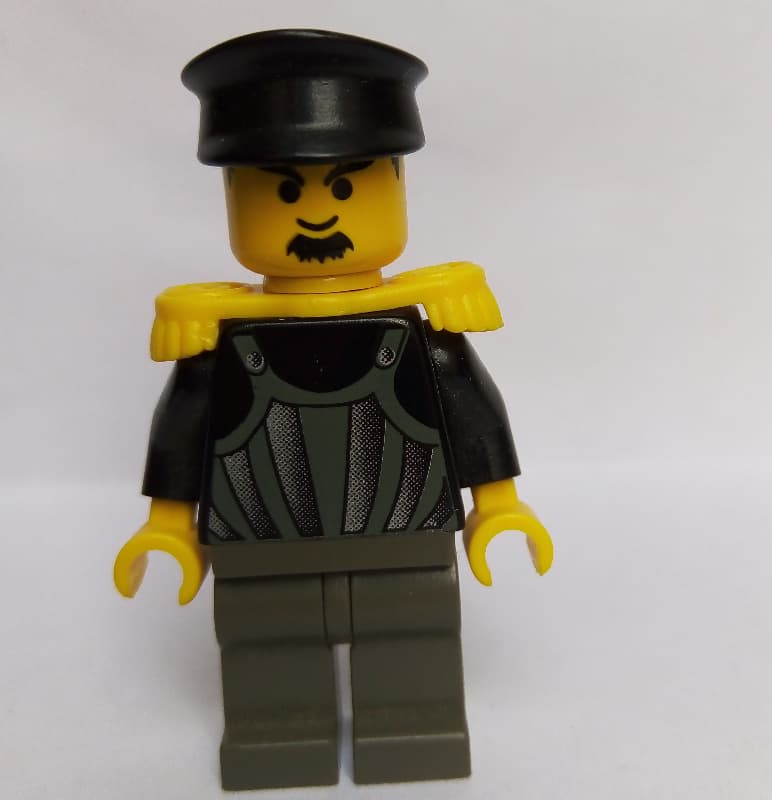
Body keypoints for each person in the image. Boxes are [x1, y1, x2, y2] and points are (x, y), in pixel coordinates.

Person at [114, 29, 553, 791]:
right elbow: (185, 427)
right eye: (284, 190)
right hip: (260, 540)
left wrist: (499, 504)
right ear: (234, 196)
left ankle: (413, 729)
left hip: (406, 532)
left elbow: (469, 409)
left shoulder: (423, 330)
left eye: (346, 187)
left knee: (413, 638)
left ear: (394, 183)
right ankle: (277, 739)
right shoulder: (216, 339)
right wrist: (168, 525)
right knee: (266, 648)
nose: (316, 214)